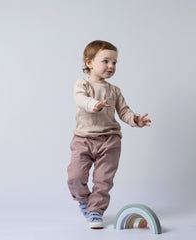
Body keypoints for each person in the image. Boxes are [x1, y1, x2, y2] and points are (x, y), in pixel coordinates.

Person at [67, 40, 151, 229]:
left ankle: (96, 211)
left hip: (110, 140)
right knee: (75, 176)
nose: (111, 66)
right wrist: (92, 104)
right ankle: (84, 200)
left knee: (103, 180)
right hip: (83, 139)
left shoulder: (114, 90)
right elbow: (80, 99)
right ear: (89, 63)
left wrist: (134, 120)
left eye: (114, 62)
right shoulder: (83, 84)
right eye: (106, 61)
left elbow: (124, 111)